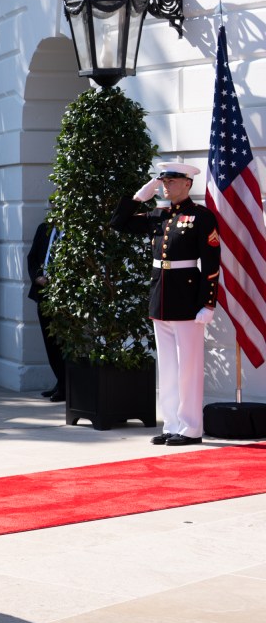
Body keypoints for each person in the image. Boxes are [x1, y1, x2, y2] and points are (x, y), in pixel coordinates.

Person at [110, 162, 220, 446]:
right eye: (163, 181)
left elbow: (211, 264)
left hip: (187, 299)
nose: (166, 186)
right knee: (169, 368)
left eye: (171, 181)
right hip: (161, 297)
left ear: (187, 183)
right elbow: (118, 225)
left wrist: (209, 304)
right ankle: (172, 423)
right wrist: (138, 198)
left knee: (189, 368)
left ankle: (191, 428)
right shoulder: (158, 215)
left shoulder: (201, 217)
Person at [27, 207, 66, 401]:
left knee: (65, 341)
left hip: (66, 296)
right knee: (50, 341)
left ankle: (67, 385)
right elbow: (32, 258)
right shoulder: (44, 229)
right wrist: (37, 277)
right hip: (44, 293)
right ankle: (60, 381)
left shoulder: (75, 231)